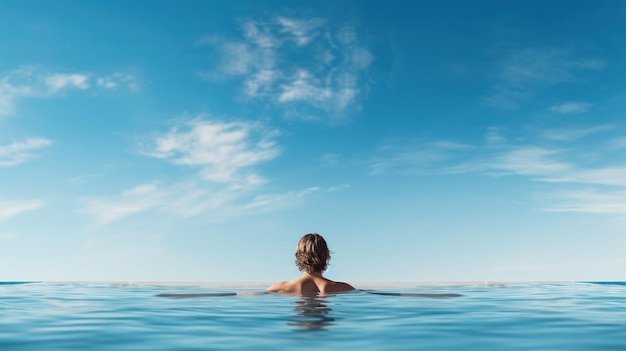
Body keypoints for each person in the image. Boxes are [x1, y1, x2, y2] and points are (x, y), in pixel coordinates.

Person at [267, 233, 354, 295]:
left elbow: (255, 295)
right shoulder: (344, 288)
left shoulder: (279, 288)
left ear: (298, 256)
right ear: (327, 256)